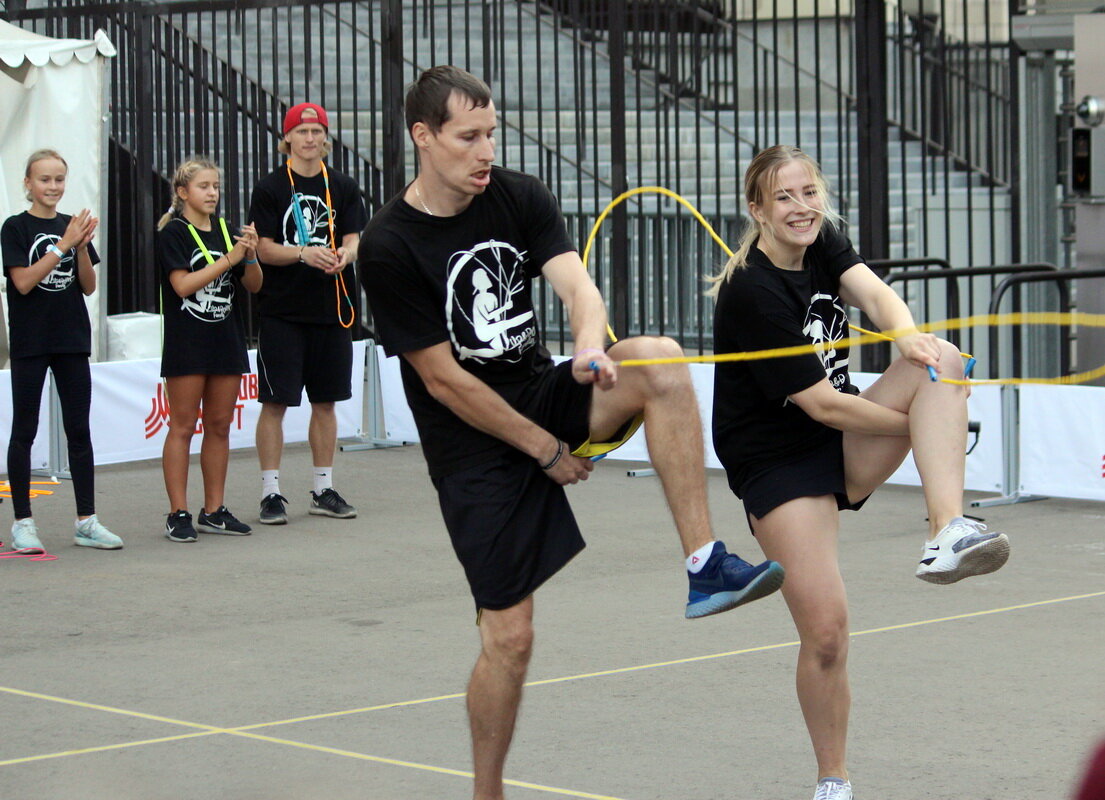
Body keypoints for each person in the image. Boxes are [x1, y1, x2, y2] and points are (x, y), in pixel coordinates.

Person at [359, 65, 784, 800]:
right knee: (510, 637)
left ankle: (705, 563)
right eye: (468, 137)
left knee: (655, 358)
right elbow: (443, 380)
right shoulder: (390, 245)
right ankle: (485, 791)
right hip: (472, 445)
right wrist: (544, 451)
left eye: (491, 132)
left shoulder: (518, 195)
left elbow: (576, 287)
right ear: (422, 138)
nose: (485, 149)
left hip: (543, 389)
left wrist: (588, 345)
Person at [708, 144, 1011, 800]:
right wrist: (927, 426)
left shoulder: (822, 244)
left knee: (944, 362)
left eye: (808, 192)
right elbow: (820, 404)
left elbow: (875, 294)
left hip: (835, 444)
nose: (801, 207)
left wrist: (905, 338)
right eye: (783, 197)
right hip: (778, 462)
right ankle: (832, 781)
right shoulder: (750, 292)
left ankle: (946, 531)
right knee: (825, 631)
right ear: (755, 209)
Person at [247, 102, 367, 525]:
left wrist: (344, 255)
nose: (310, 139)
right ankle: (271, 492)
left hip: (332, 308)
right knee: (275, 402)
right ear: (288, 139)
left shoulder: (344, 186)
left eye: (317, 132)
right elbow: (261, 247)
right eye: (302, 132)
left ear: (326, 140)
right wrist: (303, 253)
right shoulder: (270, 188)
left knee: (326, 402)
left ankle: (322, 487)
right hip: (283, 310)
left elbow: (354, 236)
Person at [2, 149, 122, 552]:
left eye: (59, 179)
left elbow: (87, 286)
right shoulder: (15, 228)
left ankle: (86, 520)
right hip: (31, 341)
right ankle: (23, 522)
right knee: (25, 429)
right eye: (44, 180)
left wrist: (82, 246)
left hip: (71, 338)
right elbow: (22, 282)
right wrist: (63, 244)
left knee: (79, 430)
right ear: (28, 184)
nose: (53, 187)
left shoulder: (71, 226)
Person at [156, 158, 262, 542]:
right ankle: (177, 512)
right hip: (188, 342)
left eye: (216, 186)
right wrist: (229, 259)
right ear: (183, 193)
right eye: (204, 186)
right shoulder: (174, 233)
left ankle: (214, 510)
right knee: (183, 426)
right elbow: (182, 286)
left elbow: (253, 285)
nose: (213, 193)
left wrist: (248, 256)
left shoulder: (225, 230)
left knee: (219, 426)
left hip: (225, 339)